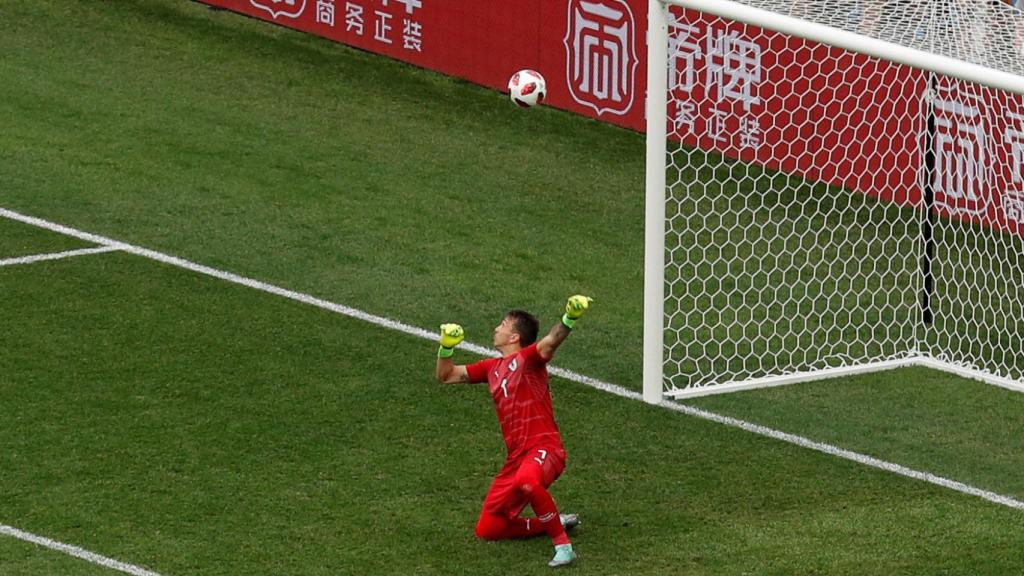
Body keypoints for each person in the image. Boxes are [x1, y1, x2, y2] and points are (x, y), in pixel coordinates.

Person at [434, 295, 593, 568]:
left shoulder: (529, 359)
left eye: (503, 324)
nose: (496, 328)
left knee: (528, 480)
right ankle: (554, 522)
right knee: (488, 528)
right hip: (516, 457)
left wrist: (570, 317)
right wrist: (445, 348)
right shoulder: (491, 368)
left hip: (545, 448)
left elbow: (551, 342)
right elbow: (446, 375)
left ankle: (563, 547)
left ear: (514, 337)